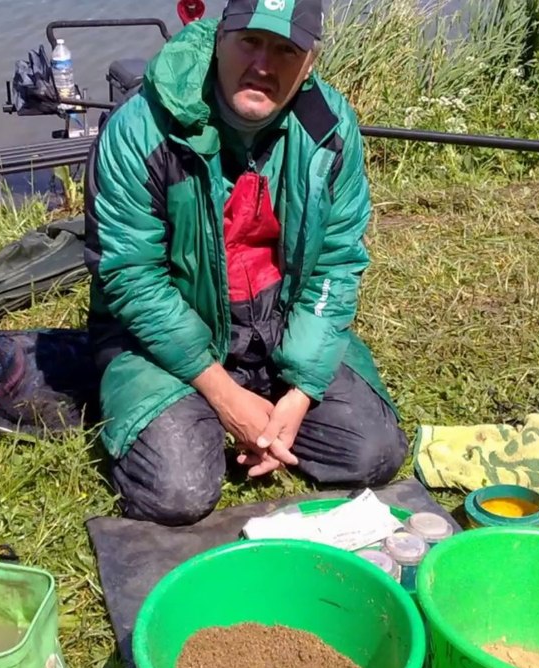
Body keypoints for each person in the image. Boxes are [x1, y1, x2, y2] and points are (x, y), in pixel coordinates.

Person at [82, 0, 409, 526]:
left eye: (286, 49)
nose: (263, 64)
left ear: (309, 63)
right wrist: (224, 394)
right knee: (178, 490)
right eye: (250, 42)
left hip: (276, 326)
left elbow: (336, 265)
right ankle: (198, 416)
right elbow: (132, 278)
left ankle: (261, 410)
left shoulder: (330, 128)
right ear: (219, 38)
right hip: (161, 336)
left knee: (373, 454)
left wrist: (300, 393)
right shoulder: (140, 128)